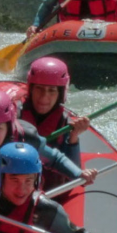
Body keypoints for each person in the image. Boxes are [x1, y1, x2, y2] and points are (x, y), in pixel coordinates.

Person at [0, 90, 97, 199]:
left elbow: (55, 159)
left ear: (8, 126)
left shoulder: (26, 137)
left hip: (23, 203)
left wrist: (78, 173)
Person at [18, 57, 90, 188]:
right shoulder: (15, 116)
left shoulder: (65, 123)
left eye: (51, 90)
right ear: (31, 89)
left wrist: (73, 138)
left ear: (60, 93)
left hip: (50, 192)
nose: (44, 97)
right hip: (17, 188)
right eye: (39, 88)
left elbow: (74, 180)